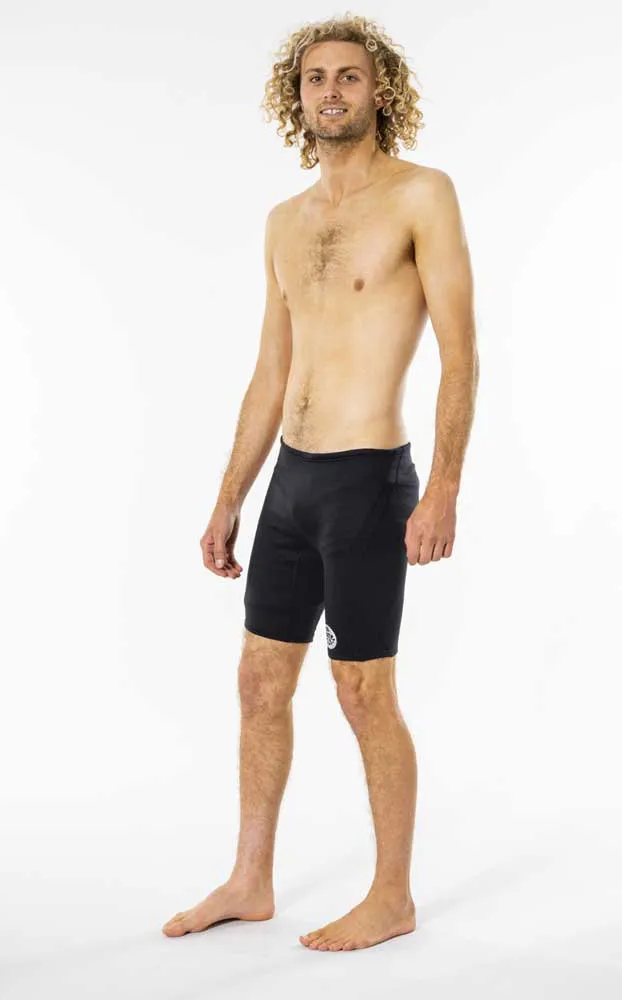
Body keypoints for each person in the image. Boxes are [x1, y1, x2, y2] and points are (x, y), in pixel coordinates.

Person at [163, 14, 477, 952]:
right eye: (314, 78)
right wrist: (229, 497)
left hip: (369, 483)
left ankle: (392, 897)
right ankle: (250, 880)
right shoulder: (284, 222)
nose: (330, 90)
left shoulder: (423, 195)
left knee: (363, 691)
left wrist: (444, 488)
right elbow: (271, 373)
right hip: (291, 489)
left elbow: (462, 355)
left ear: (380, 90)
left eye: (348, 75)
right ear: (294, 96)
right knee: (260, 682)